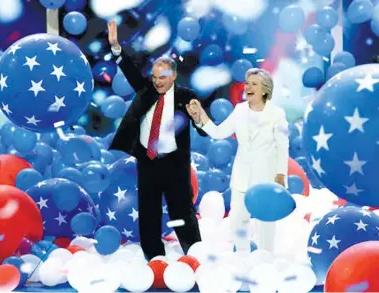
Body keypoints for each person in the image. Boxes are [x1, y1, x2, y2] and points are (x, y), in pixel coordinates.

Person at [106, 21, 204, 260]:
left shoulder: (186, 97)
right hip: (148, 162)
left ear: (173, 76)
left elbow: (202, 129)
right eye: (154, 77)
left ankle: (194, 255)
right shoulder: (145, 90)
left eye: (163, 77)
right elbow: (129, 70)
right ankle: (153, 258)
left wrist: (199, 118)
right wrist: (116, 48)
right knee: (148, 211)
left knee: (182, 210)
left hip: (175, 164)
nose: (157, 81)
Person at [186, 68, 289, 254]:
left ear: (265, 89)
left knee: (266, 222)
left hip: (266, 178)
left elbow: (283, 146)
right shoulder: (240, 110)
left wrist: (281, 175)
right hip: (242, 176)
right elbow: (219, 132)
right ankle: (243, 256)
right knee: (237, 220)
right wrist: (199, 116)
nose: (248, 87)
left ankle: (266, 259)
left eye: (254, 84)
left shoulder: (277, 114)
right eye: (247, 83)